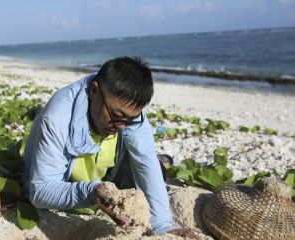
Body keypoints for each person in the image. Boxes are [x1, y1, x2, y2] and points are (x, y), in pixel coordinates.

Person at [22, 56, 199, 239]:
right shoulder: (56, 120)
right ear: (93, 90)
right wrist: (92, 191)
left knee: (157, 169)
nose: (121, 126)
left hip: (107, 174)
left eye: (129, 120)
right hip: (71, 184)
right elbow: (40, 191)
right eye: (116, 116)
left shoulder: (127, 110)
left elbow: (145, 159)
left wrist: (162, 225)